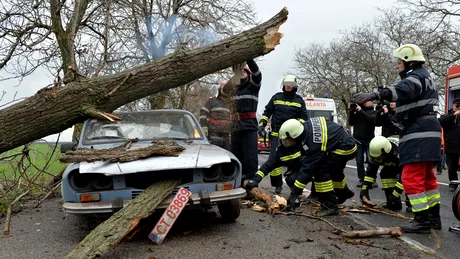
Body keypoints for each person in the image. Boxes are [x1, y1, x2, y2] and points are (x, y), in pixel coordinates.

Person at [354, 43, 442, 233]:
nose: (397, 65)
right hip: (429, 129)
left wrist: (376, 94)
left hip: (418, 130)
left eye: (399, 62)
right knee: (428, 178)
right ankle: (434, 218)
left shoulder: (415, 77)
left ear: (408, 62)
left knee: (411, 176)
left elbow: (401, 90)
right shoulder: (426, 77)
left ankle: (421, 221)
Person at [280, 118, 356, 216]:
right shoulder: (305, 127)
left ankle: (330, 206)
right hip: (341, 142)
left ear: (296, 136)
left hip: (345, 148)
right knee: (335, 172)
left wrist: (295, 193)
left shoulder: (314, 143)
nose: (288, 143)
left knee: (320, 171)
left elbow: (307, 169)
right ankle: (343, 192)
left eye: (289, 140)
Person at [258, 75, 309, 194]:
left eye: (291, 83)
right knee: (274, 160)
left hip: (291, 137)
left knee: (293, 160)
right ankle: (277, 185)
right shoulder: (276, 97)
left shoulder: (299, 101)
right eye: (286, 83)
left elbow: (304, 118)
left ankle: (293, 184)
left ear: (295, 86)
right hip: (276, 134)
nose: (288, 85)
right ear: (283, 84)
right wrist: (262, 124)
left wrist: (298, 130)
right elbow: (267, 112)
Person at [222, 60, 262, 183]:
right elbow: (223, 91)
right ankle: (238, 181)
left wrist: (248, 58)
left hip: (249, 126)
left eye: (244, 71)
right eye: (240, 72)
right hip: (235, 127)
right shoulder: (232, 89)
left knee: (250, 157)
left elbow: (257, 73)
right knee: (236, 155)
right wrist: (236, 73)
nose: (242, 73)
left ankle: (251, 183)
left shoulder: (254, 86)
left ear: (249, 74)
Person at [359, 136, 412, 212]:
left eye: (378, 158)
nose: (376, 160)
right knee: (385, 173)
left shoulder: (400, 152)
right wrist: (364, 189)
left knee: (411, 179)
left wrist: (395, 194)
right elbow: (371, 172)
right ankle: (394, 204)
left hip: (410, 162)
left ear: (385, 153)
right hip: (394, 163)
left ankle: (412, 204)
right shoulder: (378, 151)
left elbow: (405, 175)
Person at [348, 101, 377, 187]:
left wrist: (361, 111)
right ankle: (362, 179)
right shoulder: (357, 112)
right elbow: (351, 123)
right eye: (369, 101)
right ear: (364, 103)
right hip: (358, 140)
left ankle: (372, 179)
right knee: (359, 161)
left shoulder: (373, 112)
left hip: (369, 140)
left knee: (372, 161)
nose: (371, 102)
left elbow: (371, 120)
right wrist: (351, 112)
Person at [199, 81, 231, 150]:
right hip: (214, 132)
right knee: (215, 151)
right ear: (220, 90)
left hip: (226, 132)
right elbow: (203, 112)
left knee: (227, 152)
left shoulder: (230, 103)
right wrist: (203, 126)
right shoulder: (212, 101)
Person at [439, 98, 460, 192]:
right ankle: (453, 183)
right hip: (451, 146)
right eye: (458, 106)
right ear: (453, 106)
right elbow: (440, 121)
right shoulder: (448, 116)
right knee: (452, 166)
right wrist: (454, 115)